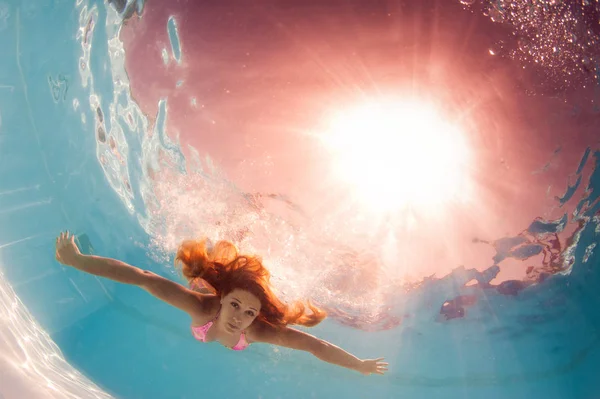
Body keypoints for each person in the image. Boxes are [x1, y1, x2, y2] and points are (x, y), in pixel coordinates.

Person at [54, 231, 388, 375]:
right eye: (236, 306)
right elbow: (143, 277)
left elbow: (315, 346)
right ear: (222, 298)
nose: (241, 318)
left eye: (250, 313)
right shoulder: (200, 306)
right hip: (208, 317)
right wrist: (78, 261)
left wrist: (358, 365)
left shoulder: (258, 331)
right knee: (173, 282)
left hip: (228, 338)